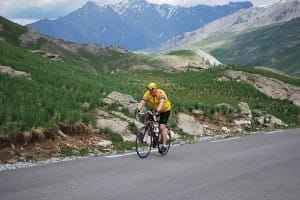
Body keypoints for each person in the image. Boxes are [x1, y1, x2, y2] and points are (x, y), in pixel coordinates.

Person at [136, 82, 172, 155]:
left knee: (162, 127)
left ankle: (164, 145)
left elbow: (162, 102)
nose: (151, 91)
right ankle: (154, 135)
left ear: (155, 88)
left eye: (152, 89)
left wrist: (158, 111)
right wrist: (138, 109)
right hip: (155, 109)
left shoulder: (160, 93)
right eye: (149, 89)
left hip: (165, 110)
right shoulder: (148, 93)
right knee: (148, 115)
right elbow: (143, 101)